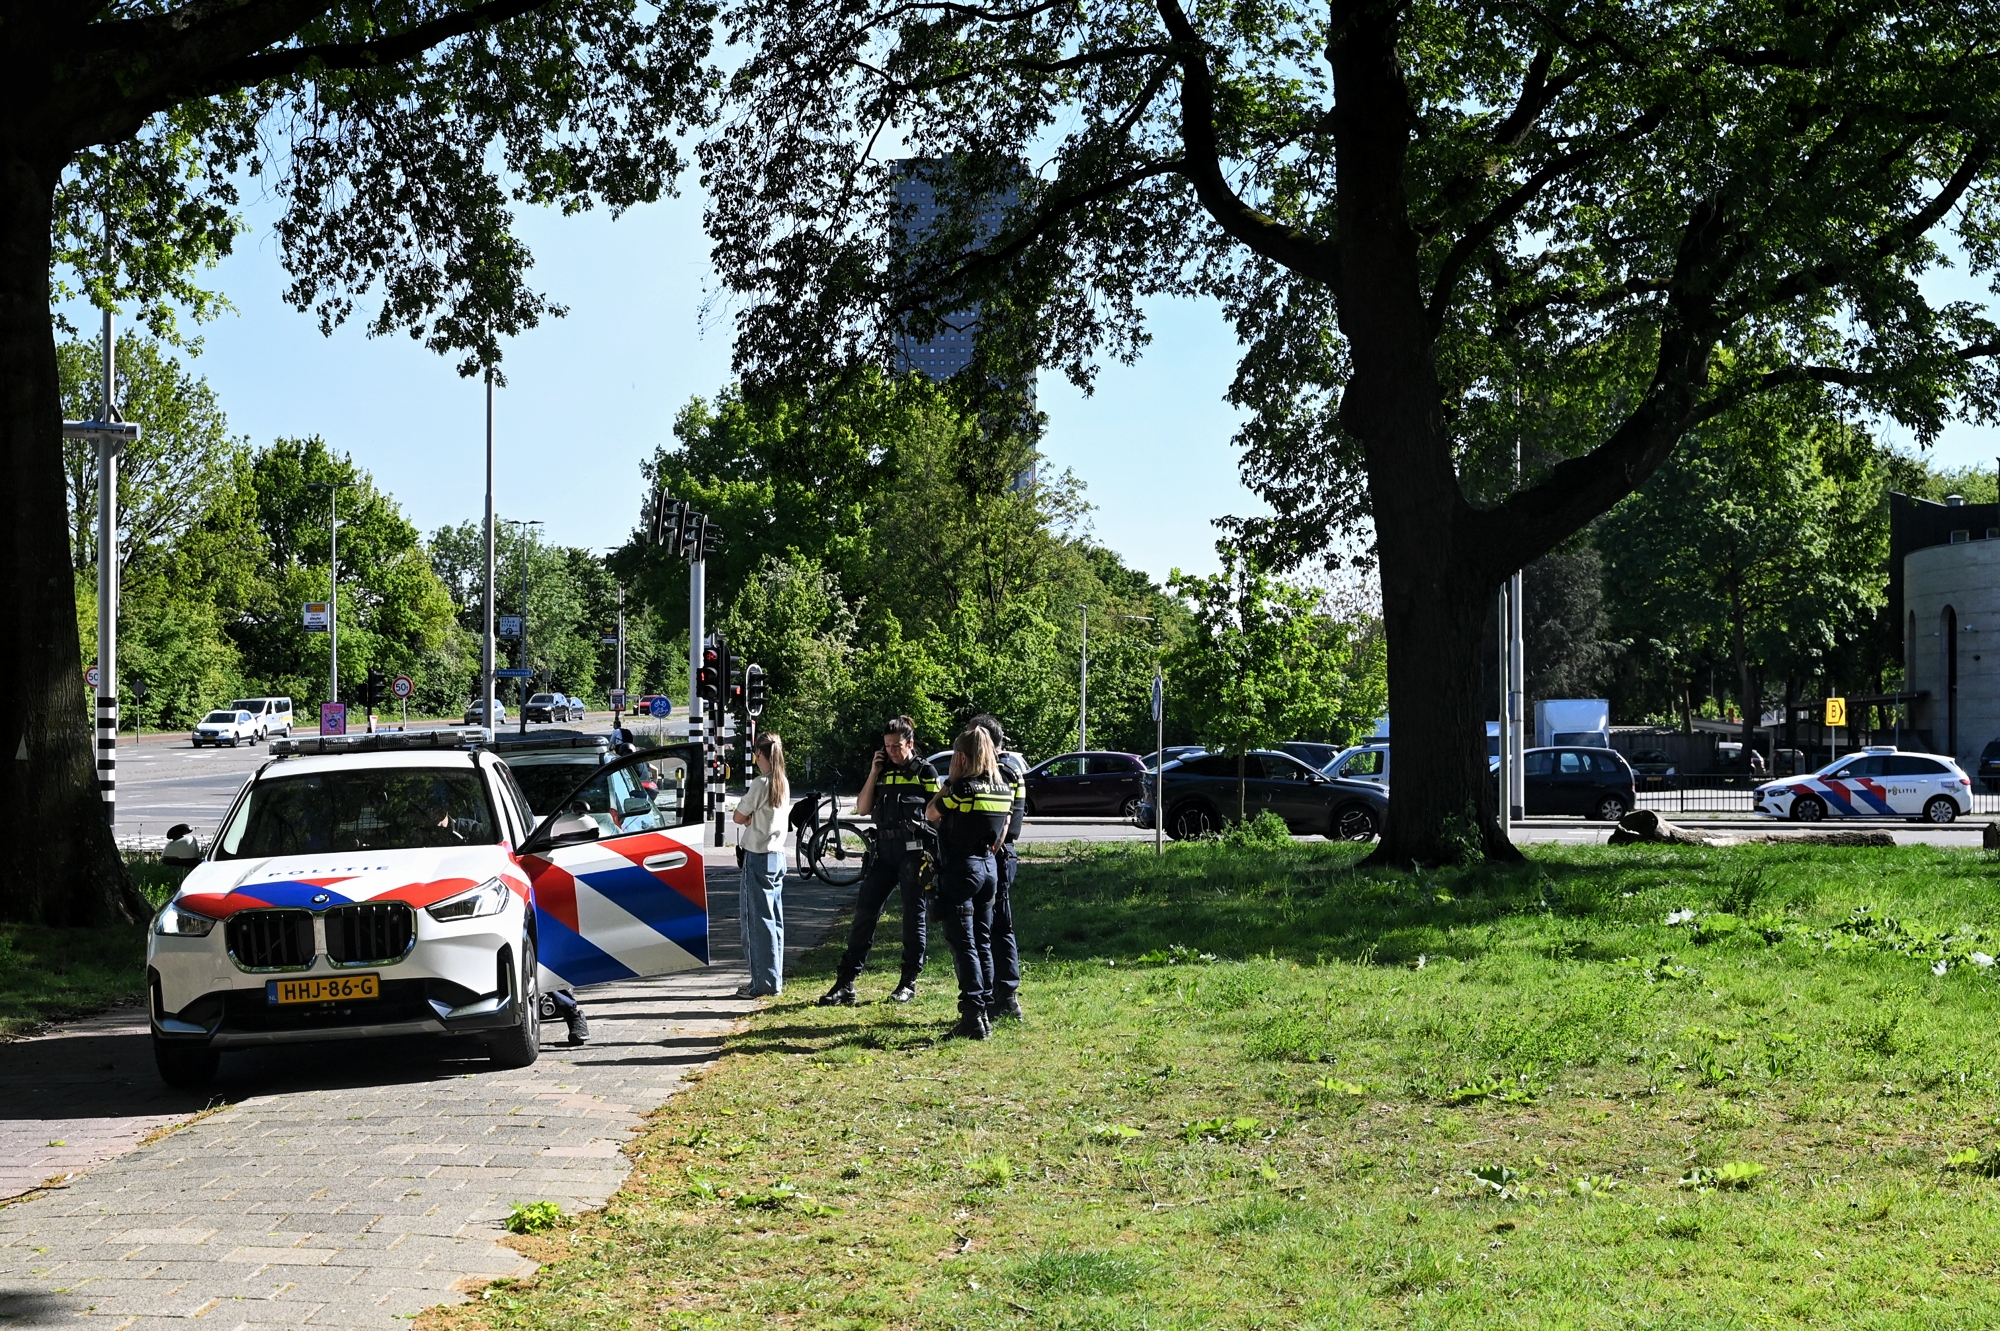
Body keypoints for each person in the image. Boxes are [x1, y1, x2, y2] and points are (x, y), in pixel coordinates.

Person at [817, 716, 939, 1006]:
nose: (893, 752)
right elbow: (862, 808)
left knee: (913, 917)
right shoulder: (882, 771)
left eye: (897, 746)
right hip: (884, 851)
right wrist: (874, 771)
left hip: (912, 852)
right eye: (887, 746)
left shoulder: (925, 772)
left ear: (910, 743)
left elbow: (937, 813)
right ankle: (845, 983)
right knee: (865, 913)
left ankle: (908, 982)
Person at [926, 728, 1013, 1039]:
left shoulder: (963, 789)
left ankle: (972, 1017)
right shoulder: (1003, 788)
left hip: (961, 869)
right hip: (988, 868)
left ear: (961, 757)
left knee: (963, 945)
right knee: (984, 941)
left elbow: (931, 812)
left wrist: (949, 781)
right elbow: (1002, 828)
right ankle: (986, 1010)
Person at [966, 713, 1026, 1019]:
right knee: (1001, 926)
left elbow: (1002, 825)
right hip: (1005, 853)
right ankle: (1005, 994)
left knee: (991, 928)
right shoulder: (1014, 770)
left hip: (995, 854)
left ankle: (1000, 995)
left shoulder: (999, 772)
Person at [732, 733, 790, 998]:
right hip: (777, 855)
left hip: (758, 856)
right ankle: (773, 978)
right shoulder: (782, 783)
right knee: (774, 920)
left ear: (760, 754)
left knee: (756, 922)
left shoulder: (760, 783)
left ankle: (762, 984)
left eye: (756, 754)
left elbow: (738, 816)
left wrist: (750, 817)